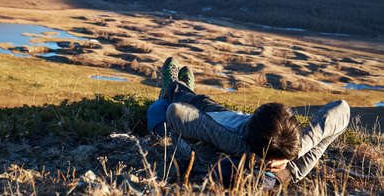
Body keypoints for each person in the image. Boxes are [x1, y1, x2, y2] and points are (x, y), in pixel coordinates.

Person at [147, 57, 351, 188]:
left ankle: (172, 88)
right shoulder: (292, 165)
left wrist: (245, 152)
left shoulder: (234, 155)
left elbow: (176, 114)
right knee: (196, 101)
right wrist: (299, 148)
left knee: (161, 107)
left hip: (199, 122)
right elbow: (342, 109)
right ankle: (182, 89)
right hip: (221, 113)